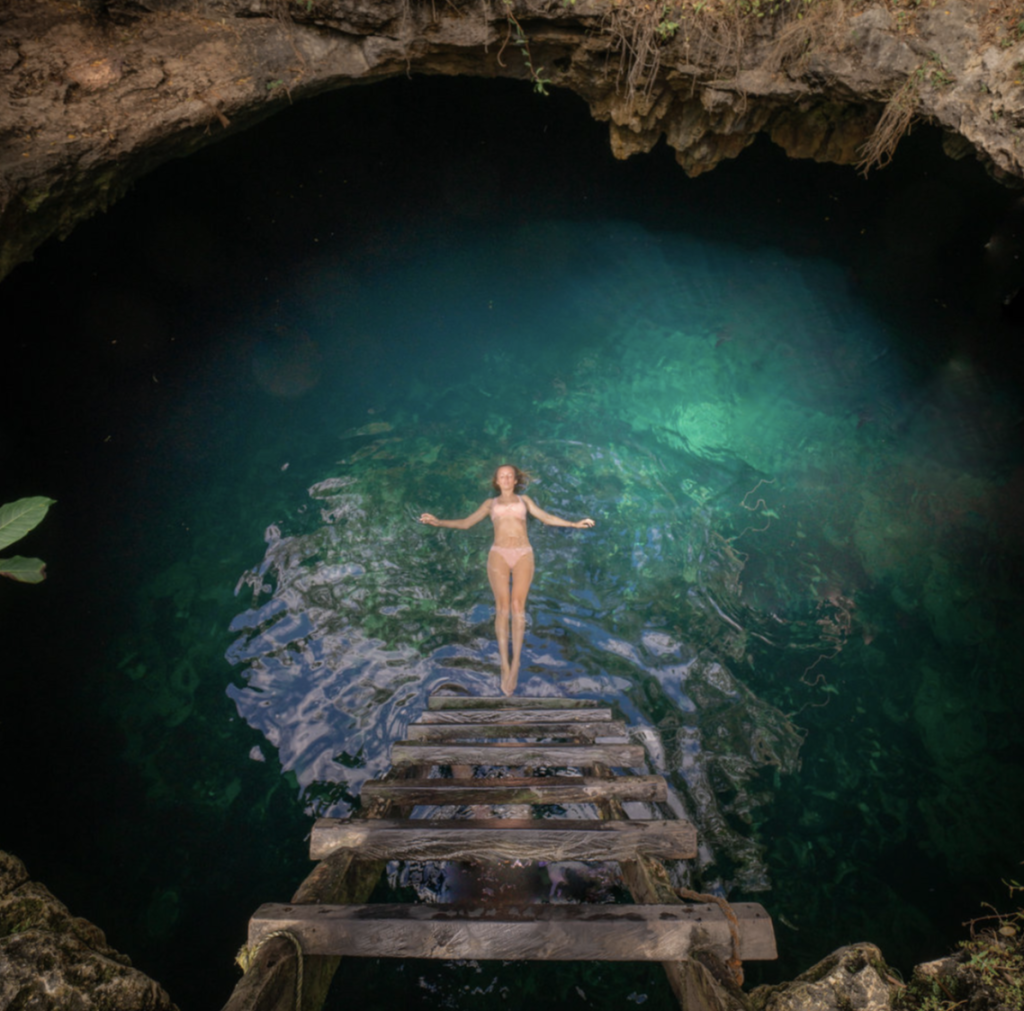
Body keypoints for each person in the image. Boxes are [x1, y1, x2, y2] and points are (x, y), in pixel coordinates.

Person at [419, 464, 595, 695]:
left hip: (523, 553)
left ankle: (516, 663)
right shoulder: (489, 504)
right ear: (497, 481)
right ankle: (504, 664)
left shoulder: (525, 501)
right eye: (502, 476)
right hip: (499, 554)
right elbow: (466, 523)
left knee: (517, 606)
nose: (506, 479)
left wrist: (573, 524)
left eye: (509, 476)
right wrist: (438, 522)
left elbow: (546, 517)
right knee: (502, 608)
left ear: (514, 481)